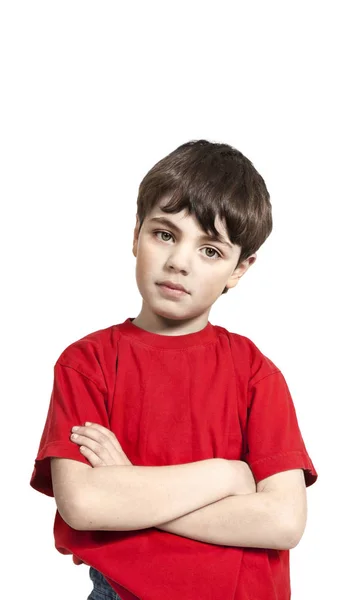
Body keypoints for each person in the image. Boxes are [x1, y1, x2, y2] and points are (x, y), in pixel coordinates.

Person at [30, 139, 318, 600]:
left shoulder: (254, 374)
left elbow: (282, 522)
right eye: (164, 234)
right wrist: (224, 477)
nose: (178, 262)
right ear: (136, 234)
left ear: (239, 270)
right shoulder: (87, 363)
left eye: (210, 251)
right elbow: (85, 504)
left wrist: (131, 489)